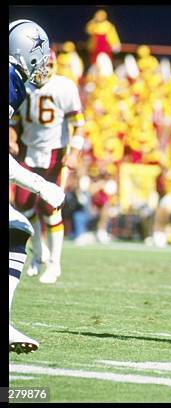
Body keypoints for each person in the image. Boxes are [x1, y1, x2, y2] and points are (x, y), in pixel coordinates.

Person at [9, 19, 66, 353]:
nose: (44, 61)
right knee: (16, 227)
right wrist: (40, 185)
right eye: (40, 53)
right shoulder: (10, 81)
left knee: (16, 229)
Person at [10, 50, 86, 284]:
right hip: (28, 151)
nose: (44, 70)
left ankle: (55, 263)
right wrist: (12, 138)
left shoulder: (64, 87)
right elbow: (14, 121)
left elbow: (79, 124)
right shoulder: (23, 86)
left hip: (55, 154)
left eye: (49, 64)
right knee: (24, 208)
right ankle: (39, 254)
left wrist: (74, 152)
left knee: (51, 208)